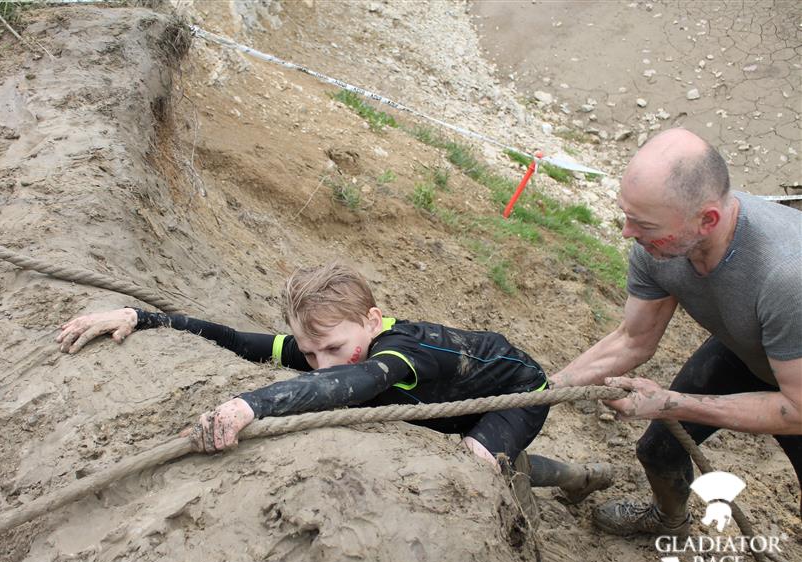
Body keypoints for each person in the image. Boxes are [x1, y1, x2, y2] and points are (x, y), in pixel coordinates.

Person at [58, 262, 612, 501]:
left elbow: (349, 384)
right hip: (446, 400)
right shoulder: (328, 348)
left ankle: (568, 478)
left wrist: (248, 406)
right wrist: (141, 317)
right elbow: (238, 340)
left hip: (514, 392)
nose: (321, 363)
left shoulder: (399, 353)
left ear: (372, 320)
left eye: (333, 348)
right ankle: (575, 476)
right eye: (308, 351)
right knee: (470, 445)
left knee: (475, 463)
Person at [550, 128, 801, 535]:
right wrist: (547, 388)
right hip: (750, 348)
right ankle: (669, 521)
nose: (627, 232)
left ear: (707, 220)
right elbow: (633, 339)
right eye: (627, 215)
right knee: (658, 450)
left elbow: (797, 409)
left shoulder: (786, 277)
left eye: (642, 223)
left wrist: (672, 404)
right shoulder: (656, 245)